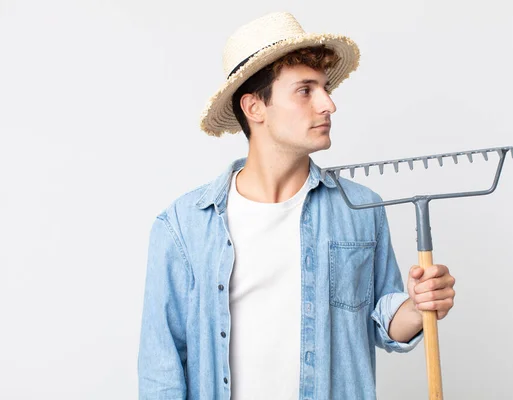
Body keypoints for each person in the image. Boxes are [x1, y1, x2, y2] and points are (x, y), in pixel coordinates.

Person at [138, 11, 456, 400]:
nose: (328, 105)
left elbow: (383, 323)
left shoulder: (360, 208)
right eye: (305, 90)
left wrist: (417, 306)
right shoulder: (183, 226)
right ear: (255, 108)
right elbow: (162, 370)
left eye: (326, 88)